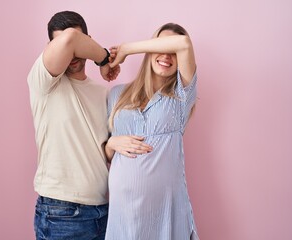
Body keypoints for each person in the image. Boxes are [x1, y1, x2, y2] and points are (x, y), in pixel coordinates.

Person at [27, 11, 120, 240]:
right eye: (65, 46)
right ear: (51, 46)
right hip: (61, 213)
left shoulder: (103, 94)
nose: (74, 54)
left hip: (102, 211)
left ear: (89, 40)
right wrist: (104, 58)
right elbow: (70, 38)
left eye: (82, 45)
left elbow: (105, 153)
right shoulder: (43, 82)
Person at [104, 23, 200, 240]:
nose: (166, 56)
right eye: (159, 47)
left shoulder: (181, 95)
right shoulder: (116, 94)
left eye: (172, 52)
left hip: (164, 213)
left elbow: (184, 44)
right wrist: (111, 144)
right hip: (123, 214)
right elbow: (104, 156)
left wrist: (127, 49)